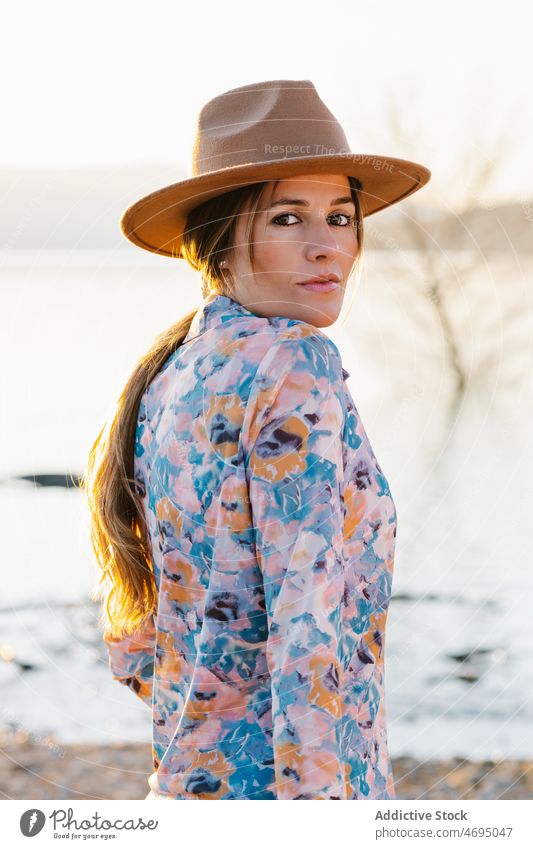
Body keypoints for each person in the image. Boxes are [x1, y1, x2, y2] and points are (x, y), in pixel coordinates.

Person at [82, 79, 431, 800]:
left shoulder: (170, 371)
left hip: (190, 784)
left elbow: (136, 642)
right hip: (292, 792)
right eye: (286, 218)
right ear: (217, 236)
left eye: (340, 216)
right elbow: (307, 627)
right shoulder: (293, 365)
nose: (325, 246)